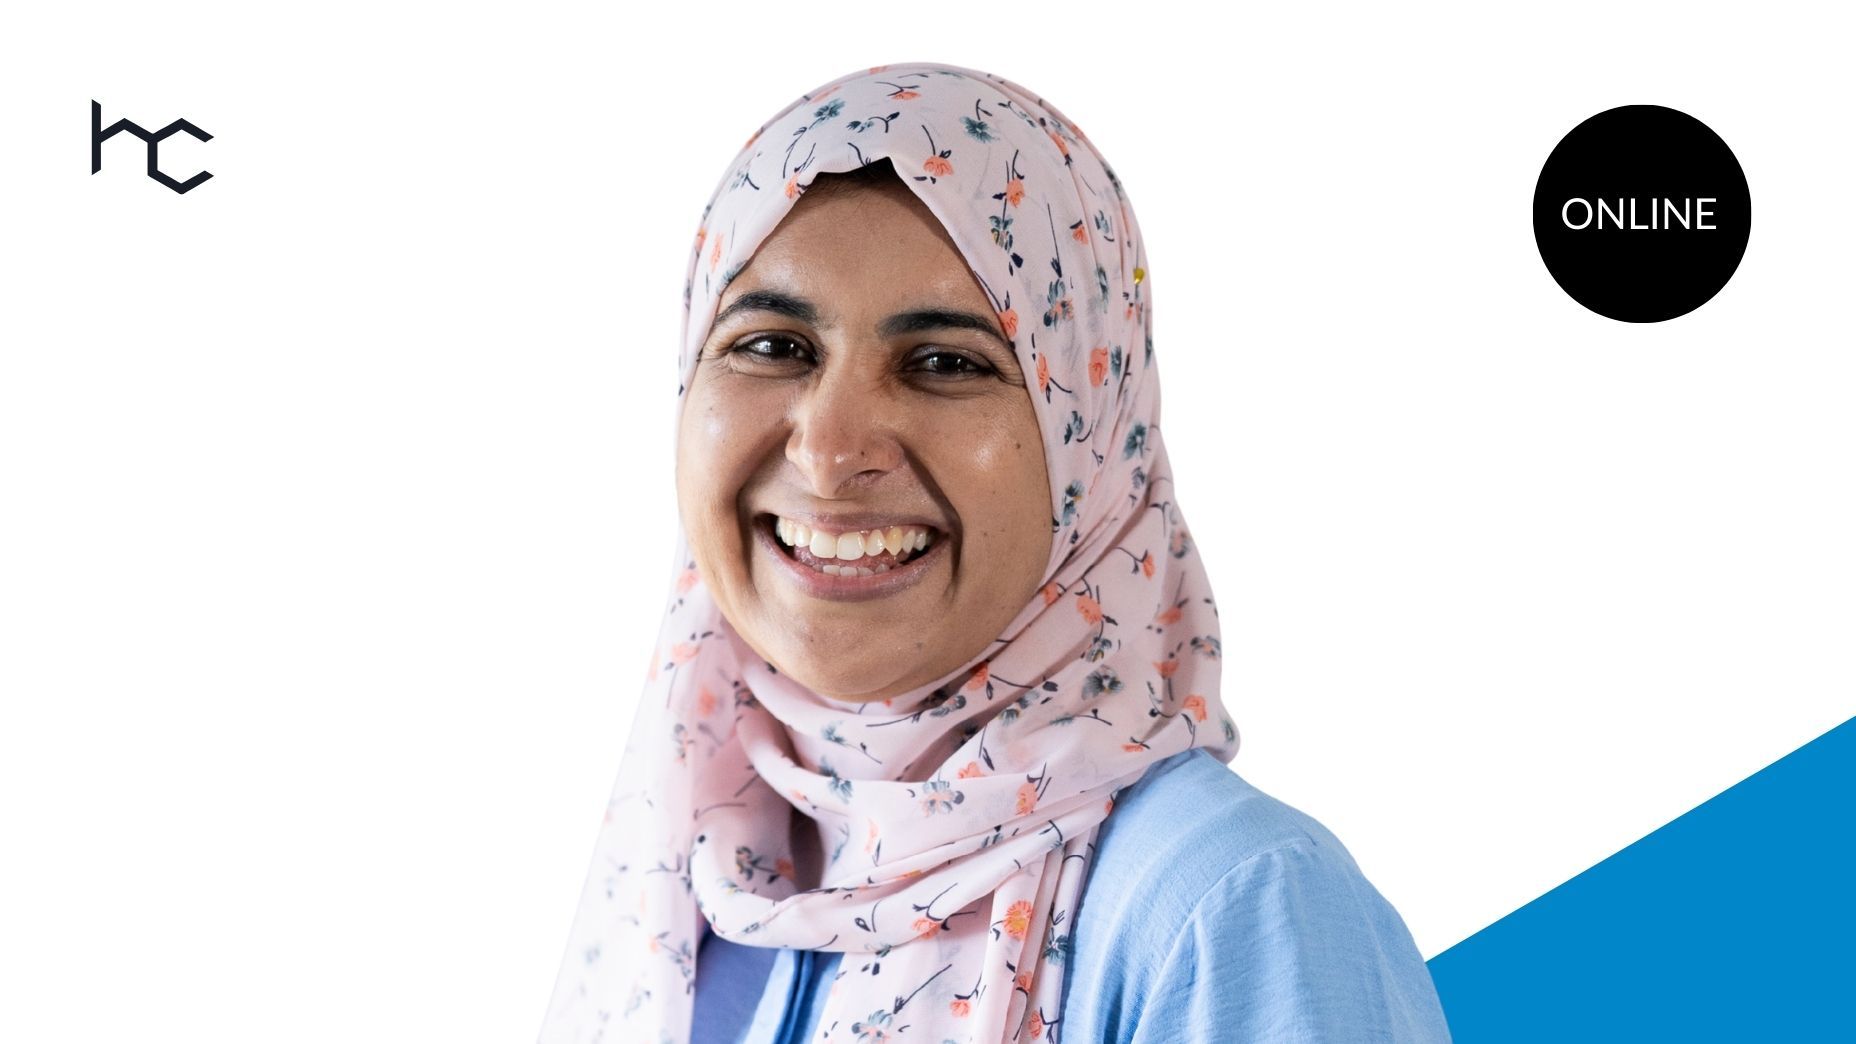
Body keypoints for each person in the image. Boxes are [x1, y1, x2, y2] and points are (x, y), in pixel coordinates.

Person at [539, 62, 1452, 1044]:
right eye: (772, 346)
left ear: (1090, 434)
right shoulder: (689, 858)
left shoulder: (1222, 911)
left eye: (944, 362)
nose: (829, 450)